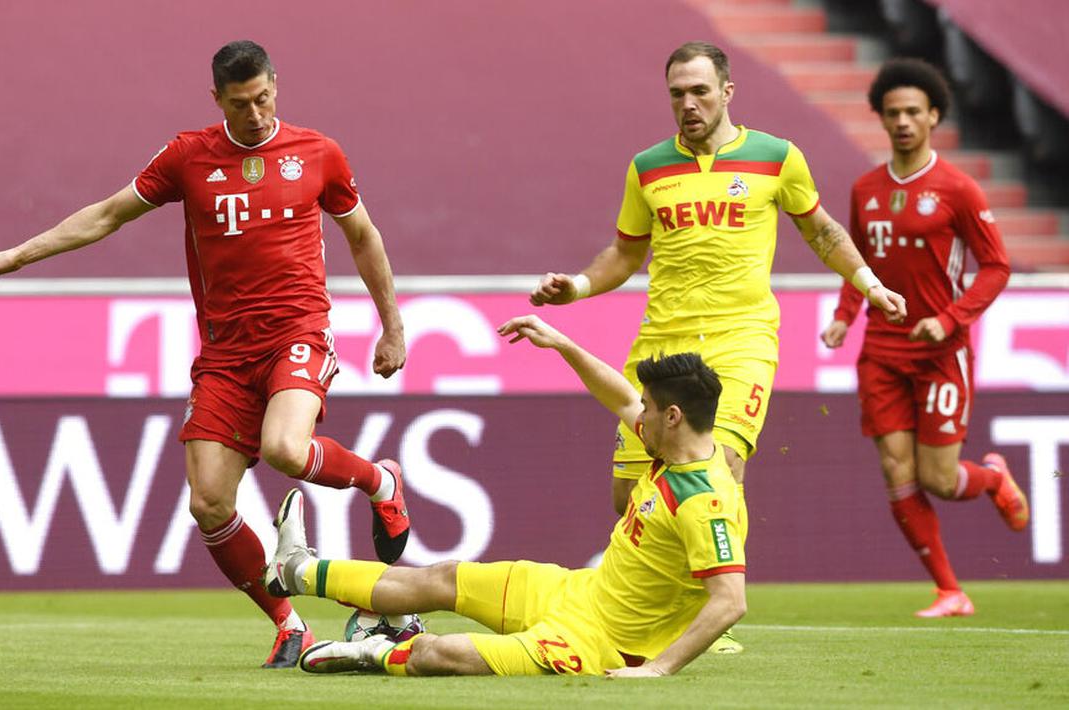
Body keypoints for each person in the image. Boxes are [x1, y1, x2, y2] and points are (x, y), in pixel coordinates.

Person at [0, 41, 412, 667]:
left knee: (283, 448)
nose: (254, 113)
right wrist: (17, 254)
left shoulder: (318, 153)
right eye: (240, 103)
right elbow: (108, 215)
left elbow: (363, 235)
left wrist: (393, 327)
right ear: (217, 99)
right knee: (209, 503)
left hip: (297, 332)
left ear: (276, 85)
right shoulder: (188, 157)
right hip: (225, 355)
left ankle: (379, 481)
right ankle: (288, 623)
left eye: (264, 98)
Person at [530, 41, 906, 653]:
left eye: (700, 91)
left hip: (741, 340)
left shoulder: (776, 157)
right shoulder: (648, 166)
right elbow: (626, 253)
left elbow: (821, 230)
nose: (689, 103)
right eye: (677, 93)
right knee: (630, 495)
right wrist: (573, 287)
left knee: (716, 468)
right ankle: (661, 613)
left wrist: (867, 282)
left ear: (727, 92)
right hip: (663, 343)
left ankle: (706, 615)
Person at [264, 314, 747, 678]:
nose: (638, 416)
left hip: (596, 641)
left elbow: (730, 602)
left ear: (674, 416)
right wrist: (561, 344)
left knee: (439, 652)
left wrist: (658, 669)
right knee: (444, 577)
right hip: (576, 591)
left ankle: (376, 652)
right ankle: (296, 570)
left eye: (650, 407)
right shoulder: (671, 447)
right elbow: (620, 396)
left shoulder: (706, 500)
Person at [819, 58, 1027, 618]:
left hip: (941, 351)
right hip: (881, 351)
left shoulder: (958, 189)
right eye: (893, 113)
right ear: (881, 121)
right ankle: (949, 590)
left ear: (934, 116)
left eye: (914, 111)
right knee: (895, 469)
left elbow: (997, 266)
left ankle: (990, 478)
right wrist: (845, 314)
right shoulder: (865, 190)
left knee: (938, 479)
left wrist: (953, 318)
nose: (903, 121)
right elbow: (856, 262)